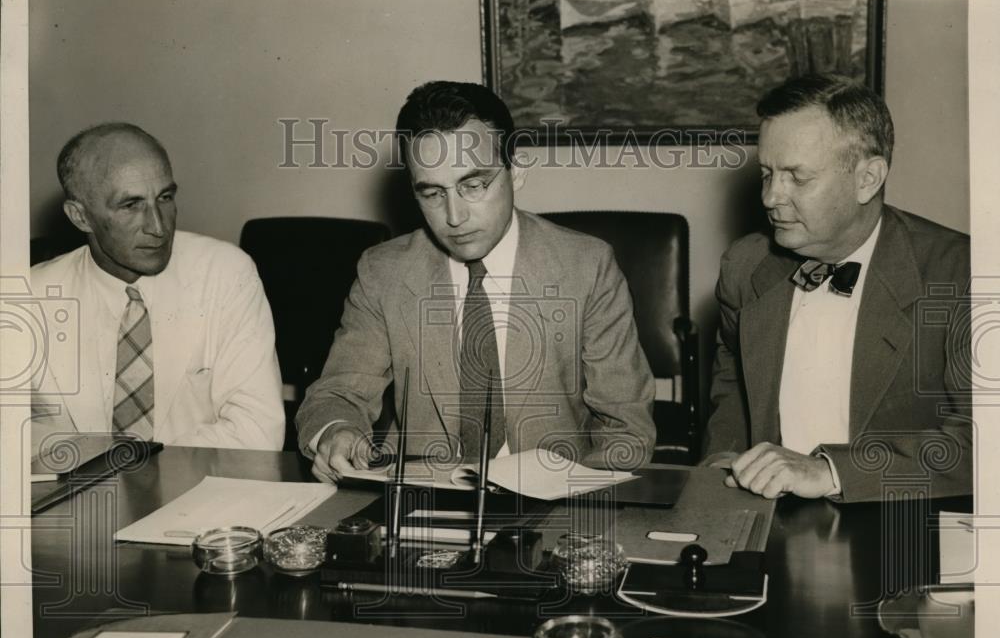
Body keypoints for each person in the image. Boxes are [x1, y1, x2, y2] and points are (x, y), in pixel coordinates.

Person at [297, 81, 655, 482]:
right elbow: (336, 395)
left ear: (516, 172)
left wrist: (578, 505)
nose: (454, 216)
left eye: (473, 185)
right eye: (432, 193)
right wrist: (337, 431)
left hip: (556, 501)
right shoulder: (384, 272)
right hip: (419, 501)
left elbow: (625, 429)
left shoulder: (588, 266)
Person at [702, 73, 971, 502]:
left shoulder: (960, 273)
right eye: (767, 174)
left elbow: (984, 443)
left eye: (797, 177)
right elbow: (732, 385)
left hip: (902, 520)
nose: (771, 197)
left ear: (868, 178)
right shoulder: (745, 266)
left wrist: (830, 471)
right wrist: (723, 461)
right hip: (769, 519)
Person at [31, 122, 284, 456]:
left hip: (200, 497)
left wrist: (138, 471)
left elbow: (258, 433)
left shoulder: (226, 273)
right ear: (81, 217)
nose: (158, 226)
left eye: (165, 197)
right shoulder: (29, 295)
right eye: (131, 205)